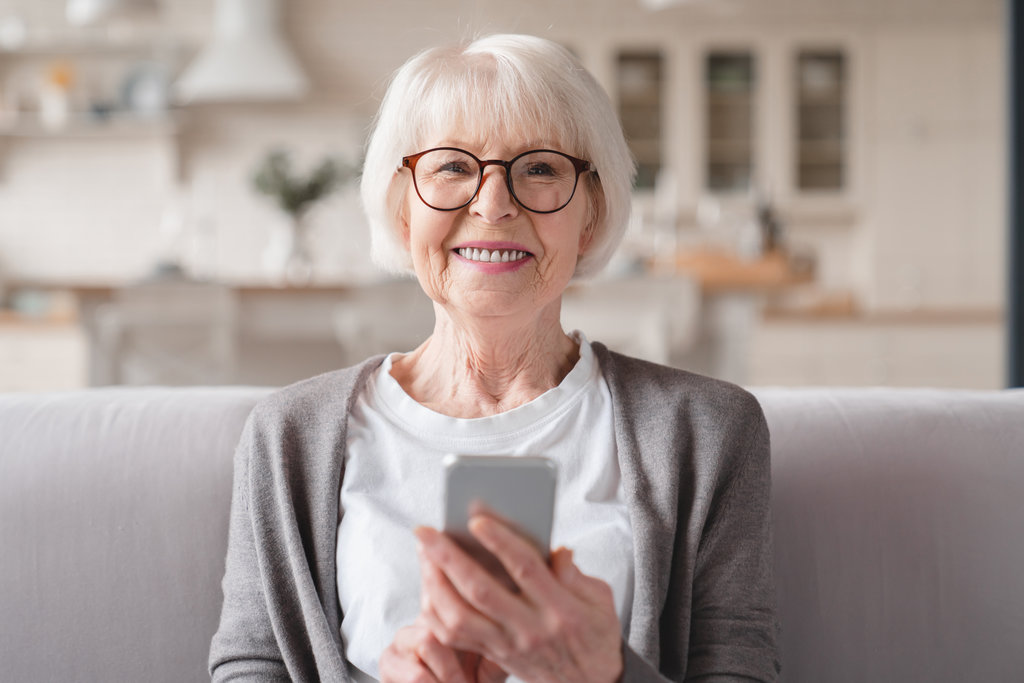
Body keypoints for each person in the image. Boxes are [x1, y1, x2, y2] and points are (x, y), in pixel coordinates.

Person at [209, 33, 780, 683]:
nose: (492, 203)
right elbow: (251, 666)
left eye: (539, 168)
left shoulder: (709, 430)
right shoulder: (288, 435)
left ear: (591, 215)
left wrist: (608, 674)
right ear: (404, 211)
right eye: (453, 167)